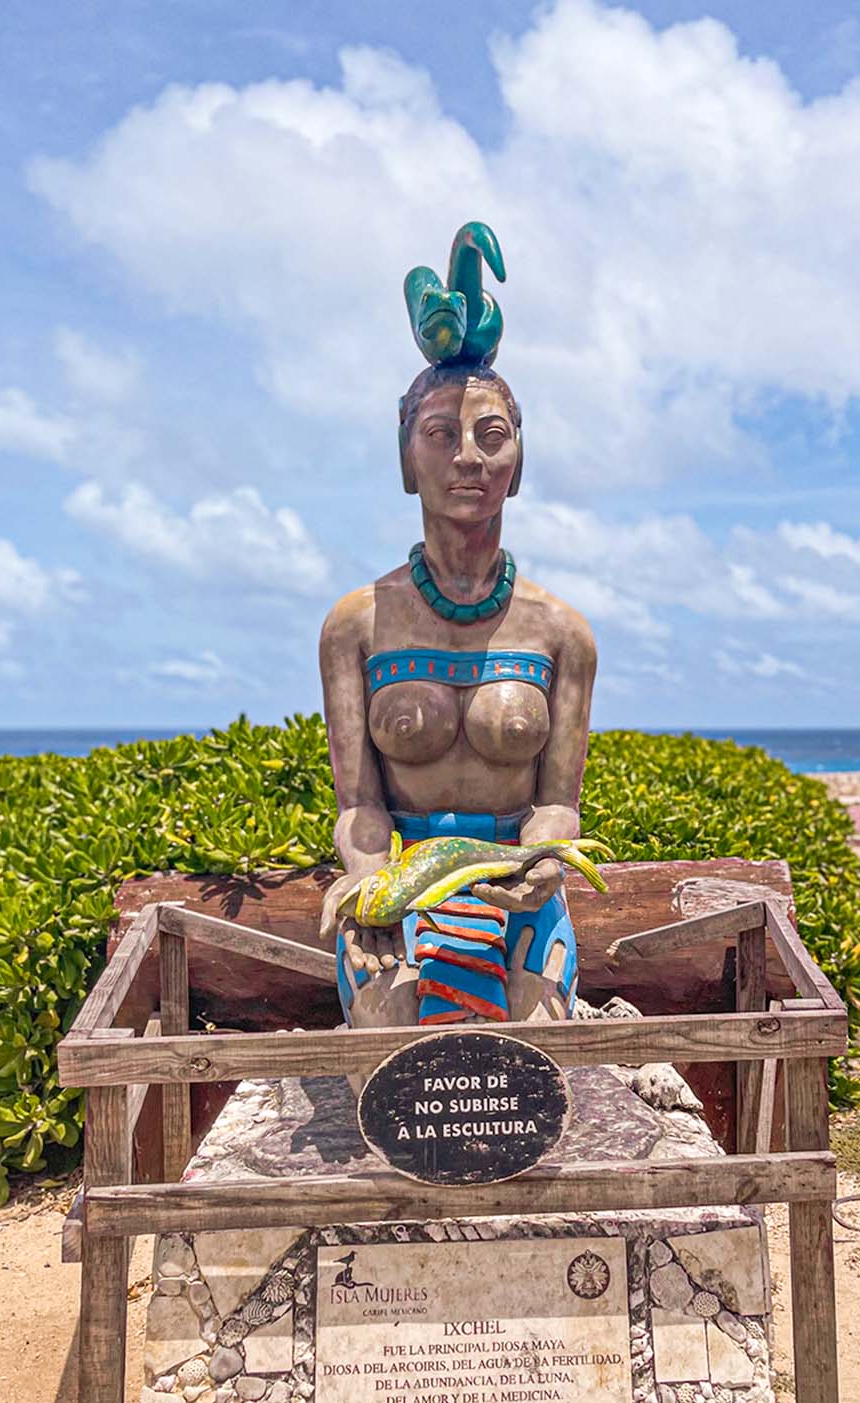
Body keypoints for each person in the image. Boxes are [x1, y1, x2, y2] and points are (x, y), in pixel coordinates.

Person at [318, 224, 596, 1052]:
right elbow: (361, 803)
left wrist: (546, 859)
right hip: (398, 890)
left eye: (491, 436)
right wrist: (367, 879)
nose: (467, 459)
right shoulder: (358, 626)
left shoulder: (561, 634)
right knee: (391, 1046)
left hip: (521, 896)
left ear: (519, 461)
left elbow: (555, 802)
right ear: (407, 461)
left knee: (533, 1053)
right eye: (441, 435)